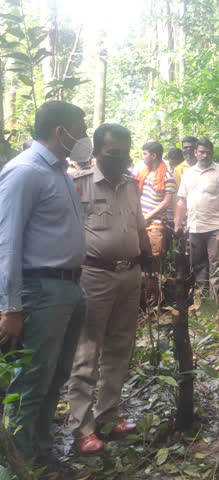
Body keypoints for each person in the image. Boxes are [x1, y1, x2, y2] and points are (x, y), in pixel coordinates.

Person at [0, 101, 89, 474]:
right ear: (60, 132)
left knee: (56, 376)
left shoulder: (60, 173)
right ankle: (23, 464)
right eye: (80, 129)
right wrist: (10, 307)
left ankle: (42, 450)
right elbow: (8, 243)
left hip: (68, 288)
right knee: (33, 381)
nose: (84, 137)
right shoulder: (24, 173)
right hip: (41, 291)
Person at [67, 124, 151, 455]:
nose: (121, 159)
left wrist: (150, 265)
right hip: (93, 277)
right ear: (97, 152)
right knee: (87, 352)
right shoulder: (79, 185)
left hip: (130, 274)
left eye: (125, 152)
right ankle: (82, 427)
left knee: (120, 348)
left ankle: (108, 415)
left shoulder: (132, 185)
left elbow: (139, 226)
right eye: (113, 152)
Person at [175, 138, 219, 300]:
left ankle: (217, 306)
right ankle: (202, 305)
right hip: (195, 227)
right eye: (201, 152)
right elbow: (182, 200)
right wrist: (178, 225)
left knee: (217, 266)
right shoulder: (188, 173)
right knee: (199, 267)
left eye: (208, 152)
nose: (205, 155)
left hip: (216, 227)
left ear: (213, 153)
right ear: (195, 153)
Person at [137, 141, 177, 273]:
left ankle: (155, 292)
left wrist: (147, 217)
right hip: (140, 224)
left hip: (156, 224)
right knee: (138, 260)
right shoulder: (143, 173)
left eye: (145, 154)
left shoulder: (167, 176)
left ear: (153, 156)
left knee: (154, 261)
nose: (143, 157)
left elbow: (166, 203)